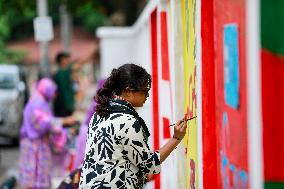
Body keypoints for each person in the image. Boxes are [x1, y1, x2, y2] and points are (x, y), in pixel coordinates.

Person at [79, 64, 188, 189]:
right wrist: (176, 138)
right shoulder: (127, 121)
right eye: (144, 91)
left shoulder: (99, 114)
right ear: (128, 91)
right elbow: (149, 165)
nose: (147, 96)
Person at [18, 78, 76, 189]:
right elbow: (43, 123)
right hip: (34, 145)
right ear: (47, 90)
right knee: (35, 176)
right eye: (53, 92)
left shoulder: (39, 100)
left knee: (35, 176)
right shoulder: (37, 102)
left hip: (35, 143)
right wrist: (64, 121)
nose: (54, 95)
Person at [53, 49, 96, 117]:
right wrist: (89, 57)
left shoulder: (59, 73)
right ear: (62, 60)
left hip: (64, 105)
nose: (69, 61)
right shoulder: (64, 72)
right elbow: (78, 64)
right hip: (64, 105)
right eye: (67, 59)